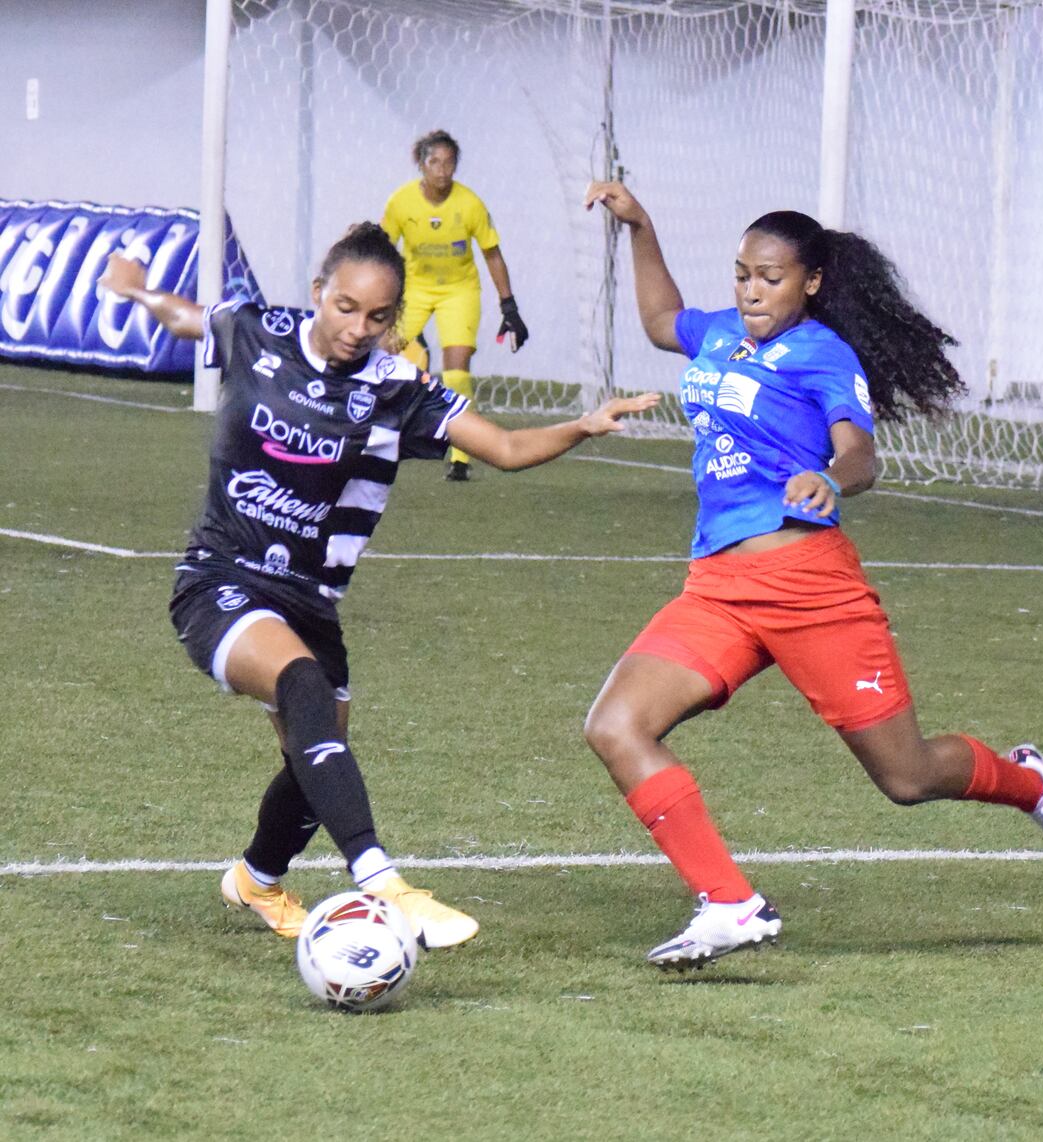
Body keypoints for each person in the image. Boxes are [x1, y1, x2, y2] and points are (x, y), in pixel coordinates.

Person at [98, 222, 656, 949]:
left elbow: (506, 448)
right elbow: (185, 316)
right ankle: (383, 880)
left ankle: (256, 881)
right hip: (220, 578)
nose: (358, 328)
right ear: (317, 293)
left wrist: (582, 425)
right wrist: (136, 290)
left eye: (377, 316)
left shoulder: (396, 388)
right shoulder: (256, 333)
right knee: (300, 686)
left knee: (315, 758)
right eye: (345, 307)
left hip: (310, 600)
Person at [581, 181, 1043, 970]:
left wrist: (829, 479)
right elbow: (659, 320)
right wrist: (640, 226)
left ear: (811, 282)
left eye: (770, 277)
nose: (751, 291)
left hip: (810, 587)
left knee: (907, 777)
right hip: (718, 587)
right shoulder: (720, 333)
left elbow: (860, 453)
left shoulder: (823, 353)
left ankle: (1026, 782)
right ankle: (729, 903)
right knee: (616, 726)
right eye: (742, 274)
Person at [381, 128, 528, 482]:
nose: (442, 171)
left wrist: (508, 305)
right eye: (435, 162)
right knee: (381, 353)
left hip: (459, 291)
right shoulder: (401, 203)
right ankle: (368, 428)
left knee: (456, 369)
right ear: (421, 164)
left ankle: (461, 454)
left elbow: (492, 254)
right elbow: (382, 252)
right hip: (414, 290)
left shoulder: (470, 204)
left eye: (449, 163)